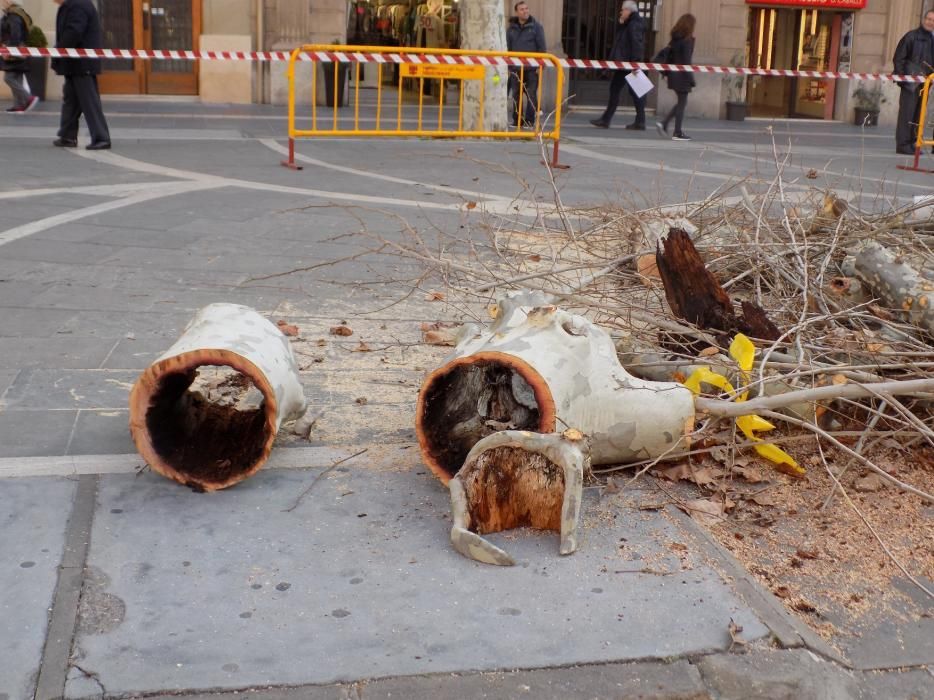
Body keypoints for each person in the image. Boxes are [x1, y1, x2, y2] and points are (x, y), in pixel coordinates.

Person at [51, 0, 110, 150]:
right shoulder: (74, 4)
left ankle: (101, 137)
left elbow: (74, 32)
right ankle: (67, 135)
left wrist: (58, 51)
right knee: (71, 101)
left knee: (89, 102)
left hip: (82, 64)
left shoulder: (78, 5)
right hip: (74, 64)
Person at [590, 1, 646, 130]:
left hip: (629, 64)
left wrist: (634, 64)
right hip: (626, 63)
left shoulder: (633, 24)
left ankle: (606, 120)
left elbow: (636, 44)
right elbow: (622, 40)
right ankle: (639, 121)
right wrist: (621, 24)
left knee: (621, 90)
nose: (621, 12)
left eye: (623, 10)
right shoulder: (630, 24)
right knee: (635, 92)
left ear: (629, 11)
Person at [893, 9, 934, 155]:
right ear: (924, 20)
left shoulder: (932, 39)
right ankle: (903, 145)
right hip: (910, 82)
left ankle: (913, 143)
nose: (930, 22)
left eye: (933, 20)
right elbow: (899, 58)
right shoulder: (912, 37)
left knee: (918, 115)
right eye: (928, 19)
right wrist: (901, 78)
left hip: (926, 83)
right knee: (907, 114)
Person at [654, 13, 696, 142]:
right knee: (682, 103)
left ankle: (665, 124)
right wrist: (691, 79)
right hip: (682, 76)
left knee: (681, 102)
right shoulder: (688, 40)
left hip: (673, 74)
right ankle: (676, 132)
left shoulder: (674, 38)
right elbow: (686, 62)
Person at [506, 1, 546, 128]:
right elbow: (508, 48)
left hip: (531, 68)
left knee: (531, 95)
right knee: (516, 95)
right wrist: (509, 66)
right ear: (517, 12)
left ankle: (529, 121)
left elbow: (542, 48)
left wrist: (540, 66)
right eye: (522, 9)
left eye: (527, 8)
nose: (525, 11)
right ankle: (517, 120)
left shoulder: (536, 27)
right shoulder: (511, 29)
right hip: (515, 68)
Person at [0, 0, 38, 113]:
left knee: (9, 78)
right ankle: (19, 105)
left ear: (8, 1)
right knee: (16, 77)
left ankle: (28, 98)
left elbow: (15, 34)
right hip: (19, 51)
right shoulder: (15, 13)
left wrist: (9, 51)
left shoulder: (14, 15)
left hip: (14, 52)